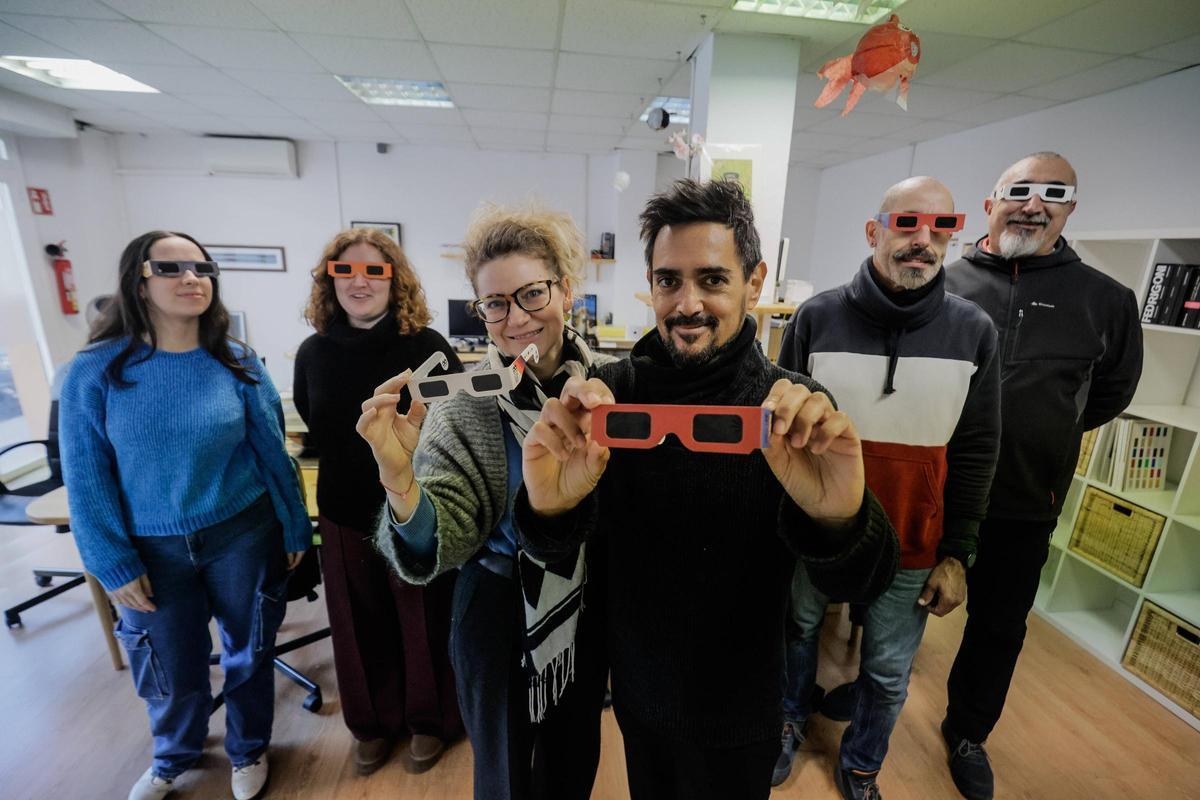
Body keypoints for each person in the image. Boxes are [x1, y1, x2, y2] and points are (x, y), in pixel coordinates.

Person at [510, 179, 900, 800]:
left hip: (742, 713)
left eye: (713, 279)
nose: (687, 302)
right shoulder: (608, 397)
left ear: (754, 282)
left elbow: (864, 584)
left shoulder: (793, 412)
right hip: (638, 700)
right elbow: (556, 555)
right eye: (668, 280)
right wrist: (548, 508)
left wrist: (841, 521)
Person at [357, 204, 614, 800]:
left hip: (583, 601)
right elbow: (436, 540)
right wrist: (399, 480)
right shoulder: (462, 403)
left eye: (531, 294)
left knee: (574, 760)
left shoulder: (611, 388)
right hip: (496, 609)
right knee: (500, 774)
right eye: (494, 304)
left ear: (566, 290)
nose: (515, 318)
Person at [59, 231, 312, 800]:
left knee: (250, 651)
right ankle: (174, 756)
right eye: (171, 267)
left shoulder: (237, 361)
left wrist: (295, 524)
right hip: (151, 548)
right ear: (139, 280)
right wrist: (111, 562)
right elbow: (85, 477)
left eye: (202, 267)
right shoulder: (95, 371)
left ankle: (249, 751)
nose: (191, 278)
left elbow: (272, 451)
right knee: (170, 666)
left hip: (241, 533)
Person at [773, 177, 1001, 799]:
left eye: (940, 226)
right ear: (874, 231)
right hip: (817, 535)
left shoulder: (974, 331)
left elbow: (978, 448)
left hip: (913, 539)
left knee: (888, 670)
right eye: (906, 223)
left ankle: (863, 763)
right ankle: (789, 723)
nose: (923, 240)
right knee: (795, 635)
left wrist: (958, 553)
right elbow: (779, 433)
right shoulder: (816, 317)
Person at [941, 152, 1143, 800]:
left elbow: (1109, 392)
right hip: (934, 490)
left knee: (998, 625)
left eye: (1053, 193)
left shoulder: (1108, 301)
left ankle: (968, 731)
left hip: (1027, 497)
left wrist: (1047, 433)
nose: (1034, 204)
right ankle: (862, 699)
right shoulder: (941, 284)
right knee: (895, 604)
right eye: (1019, 191)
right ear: (990, 204)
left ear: (1070, 210)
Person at [293, 228, 463, 775]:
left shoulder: (427, 347)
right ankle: (371, 725)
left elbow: (456, 423)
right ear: (329, 282)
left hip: (415, 506)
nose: (360, 282)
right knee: (356, 623)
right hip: (344, 509)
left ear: (397, 281)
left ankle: (429, 721)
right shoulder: (313, 353)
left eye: (374, 271)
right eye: (346, 272)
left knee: (424, 619)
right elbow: (313, 422)